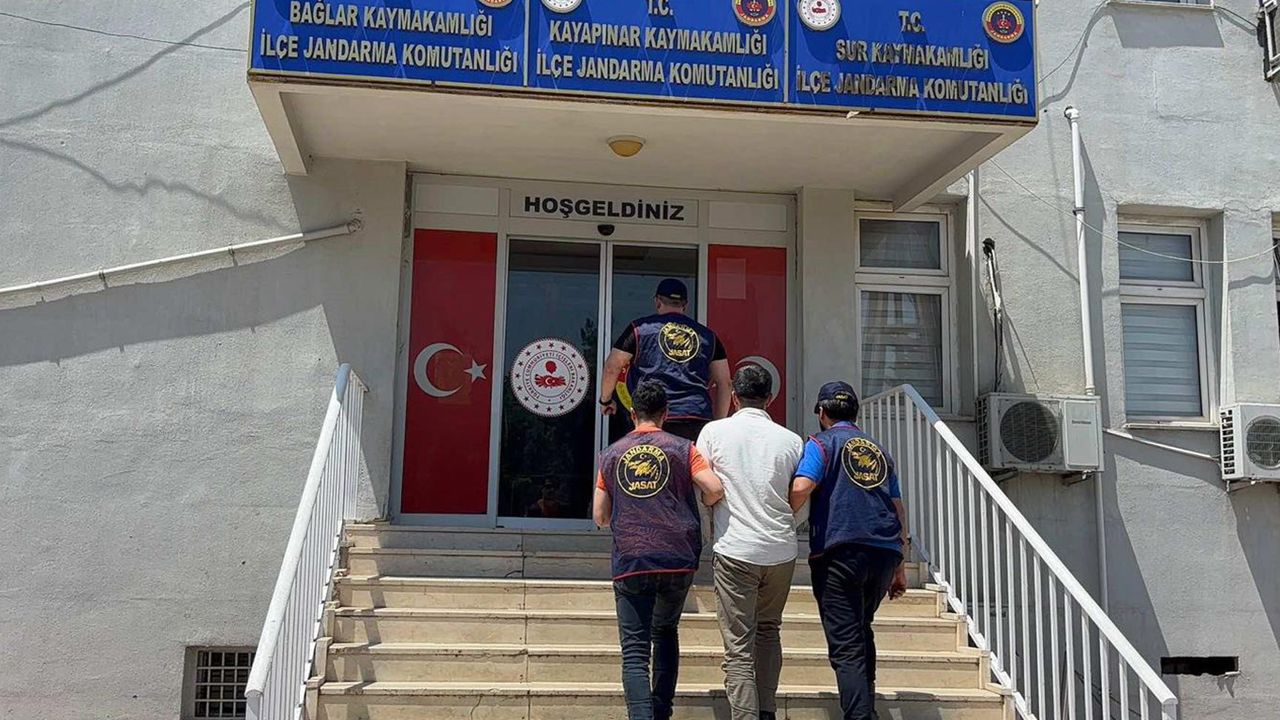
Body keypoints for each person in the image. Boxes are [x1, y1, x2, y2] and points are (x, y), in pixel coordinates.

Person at [593, 380, 725, 720]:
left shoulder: (611, 454)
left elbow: (600, 516)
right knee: (665, 632)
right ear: (665, 414)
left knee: (635, 651)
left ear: (632, 413)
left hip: (632, 558)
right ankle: (662, 711)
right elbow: (713, 487)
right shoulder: (684, 449)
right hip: (677, 557)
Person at [788, 382, 911, 720]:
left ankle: (859, 715)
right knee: (862, 627)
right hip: (884, 551)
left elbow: (802, 486)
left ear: (821, 412)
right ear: (855, 414)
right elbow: (898, 507)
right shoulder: (879, 450)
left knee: (845, 643)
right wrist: (901, 563)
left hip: (841, 551)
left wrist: (785, 514)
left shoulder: (821, 443)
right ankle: (866, 707)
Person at [695, 365, 804, 720]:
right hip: (781, 549)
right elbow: (800, 493)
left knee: (739, 647)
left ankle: (746, 715)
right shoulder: (791, 440)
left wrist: (710, 522)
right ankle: (767, 710)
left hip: (736, 548)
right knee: (769, 630)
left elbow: (705, 488)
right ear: (769, 399)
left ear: (734, 397)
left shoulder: (713, 432)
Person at [599, 278, 731, 442]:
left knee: (654, 459)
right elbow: (725, 383)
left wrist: (605, 400)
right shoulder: (708, 336)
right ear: (685, 305)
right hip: (695, 415)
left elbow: (612, 366)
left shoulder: (640, 329)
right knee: (691, 460)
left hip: (653, 415)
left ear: (658, 301)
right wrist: (716, 425)